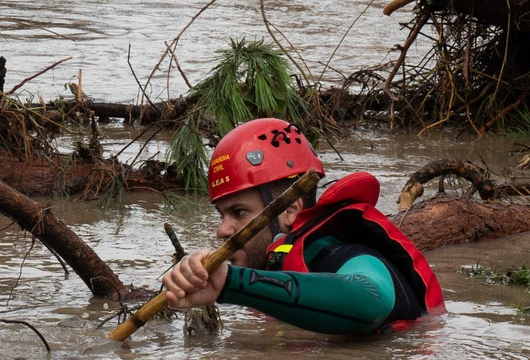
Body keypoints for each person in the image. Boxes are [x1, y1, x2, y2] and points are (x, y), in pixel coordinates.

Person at [161, 117, 444, 335]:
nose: (223, 230)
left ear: (289, 210)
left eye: (238, 212)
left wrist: (231, 283)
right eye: (221, 215)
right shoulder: (277, 266)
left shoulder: (341, 254)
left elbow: (371, 300)